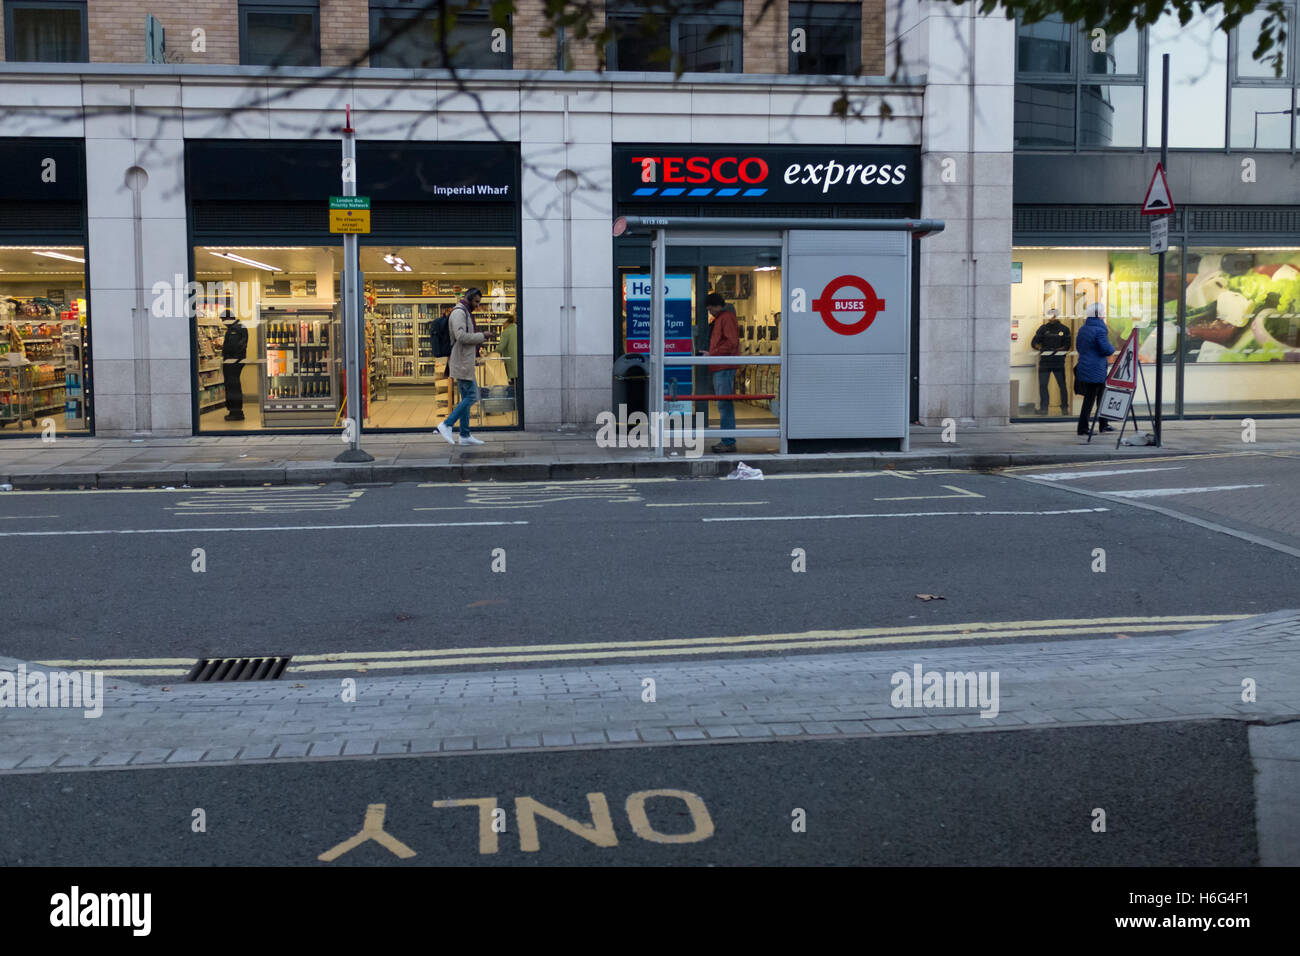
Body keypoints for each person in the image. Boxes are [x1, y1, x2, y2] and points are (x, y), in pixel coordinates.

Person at [436, 288, 486, 445]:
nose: (477, 305)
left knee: (467, 397)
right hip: (461, 362)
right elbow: (461, 336)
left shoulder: (465, 311)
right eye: (476, 301)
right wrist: (482, 336)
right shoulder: (459, 312)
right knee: (473, 396)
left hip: (464, 361)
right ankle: (446, 424)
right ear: (469, 298)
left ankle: (464, 435)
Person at [705, 292, 740, 453]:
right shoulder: (723, 318)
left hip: (723, 367)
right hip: (721, 366)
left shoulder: (725, 318)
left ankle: (728, 441)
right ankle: (727, 439)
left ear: (715, 305)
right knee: (724, 404)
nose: (709, 310)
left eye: (710, 307)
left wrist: (712, 354)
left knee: (724, 404)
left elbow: (731, 343)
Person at [1074, 302, 1116, 436]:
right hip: (1095, 369)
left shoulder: (1083, 328)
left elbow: (1079, 347)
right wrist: (1113, 348)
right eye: (1103, 312)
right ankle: (1083, 428)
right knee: (1090, 400)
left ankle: (1103, 424)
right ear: (1098, 314)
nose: (1105, 314)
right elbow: (1106, 349)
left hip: (1085, 366)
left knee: (1101, 397)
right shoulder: (1100, 330)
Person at [1031, 309, 1072, 415]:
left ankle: (1064, 409)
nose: (1052, 317)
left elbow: (1067, 346)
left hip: (1058, 362)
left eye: (1054, 315)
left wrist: (1055, 351)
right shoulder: (1043, 329)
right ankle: (1044, 409)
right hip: (1045, 362)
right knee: (1043, 385)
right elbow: (1034, 343)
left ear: (1058, 316)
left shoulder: (1065, 329)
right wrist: (1042, 349)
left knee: (1062, 385)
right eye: (1050, 315)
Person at [220, 309, 247, 421]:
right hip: (235, 361)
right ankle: (234, 411)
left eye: (223, 320)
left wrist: (222, 348)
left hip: (233, 361)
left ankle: (236, 412)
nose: (223, 323)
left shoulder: (235, 329)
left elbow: (233, 346)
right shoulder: (238, 327)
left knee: (232, 386)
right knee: (233, 385)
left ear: (228, 319)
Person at [497, 311, 518, 399]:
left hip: (511, 361)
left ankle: (514, 402)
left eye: (503, 323)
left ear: (506, 322)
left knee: (513, 383)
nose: (502, 325)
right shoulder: (517, 328)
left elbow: (501, 347)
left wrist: (489, 353)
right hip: (519, 361)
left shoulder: (506, 332)